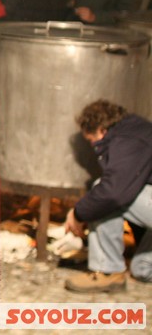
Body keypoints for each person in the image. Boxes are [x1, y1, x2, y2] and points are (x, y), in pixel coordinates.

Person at [64, 99, 152, 293]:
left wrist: (78, 213)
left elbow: (113, 193)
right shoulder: (135, 132)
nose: (93, 147)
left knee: (102, 192)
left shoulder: (131, 140)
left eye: (91, 141)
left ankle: (107, 271)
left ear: (102, 130)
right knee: (143, 268)